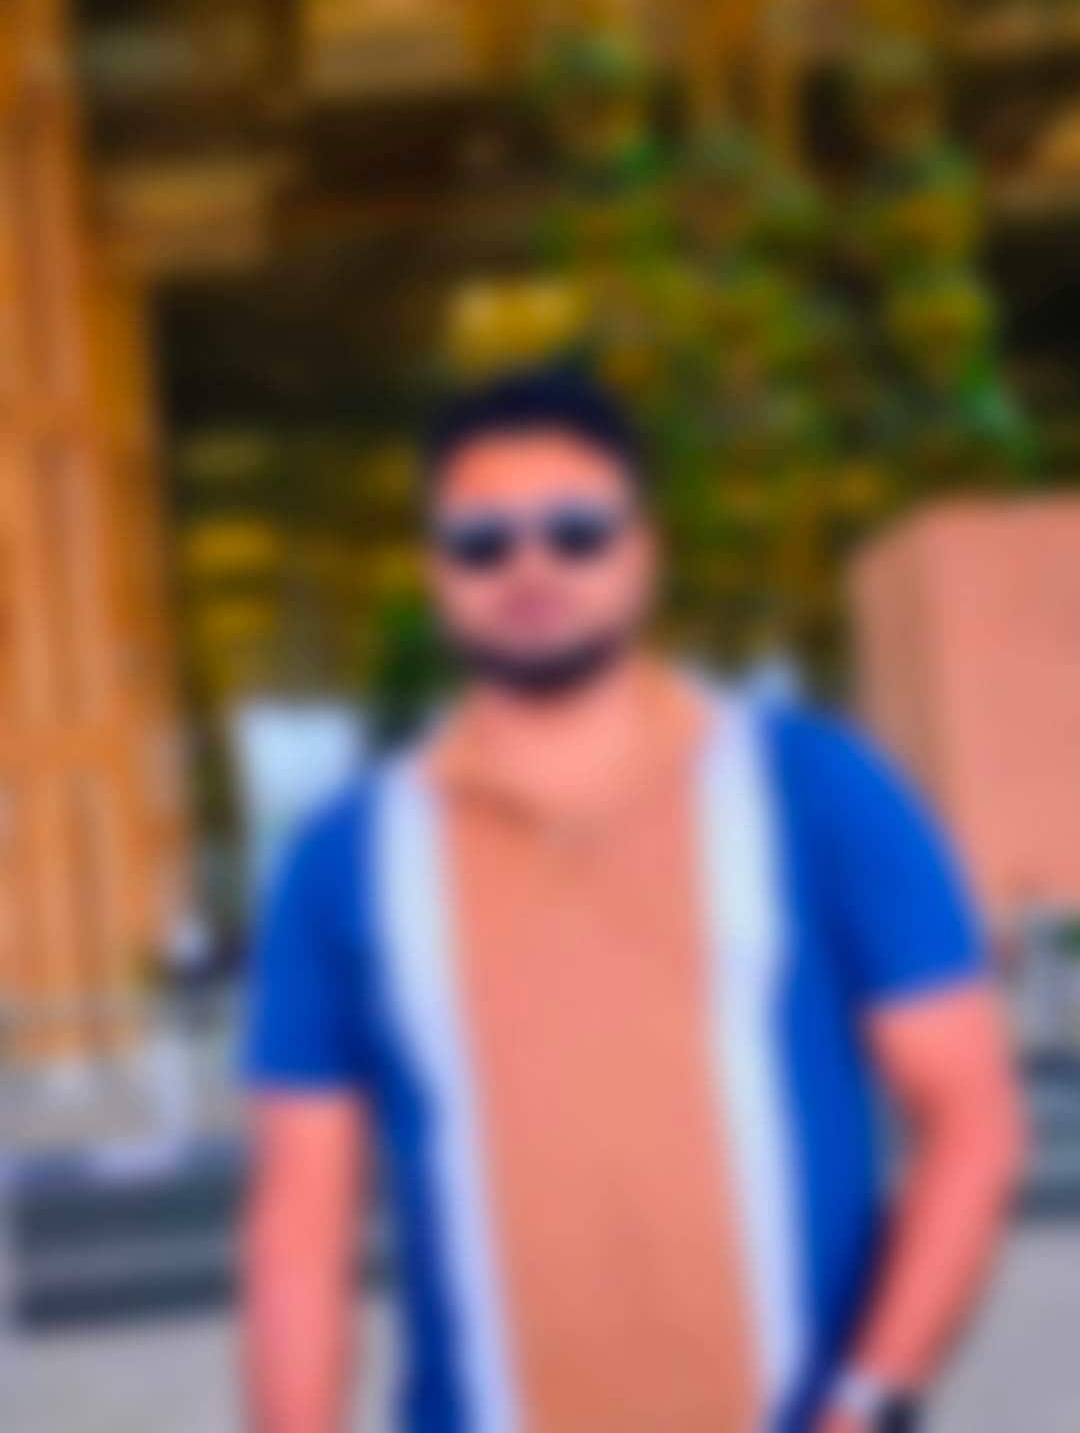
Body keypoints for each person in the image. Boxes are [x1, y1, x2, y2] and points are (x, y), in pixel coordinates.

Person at [243, 367, 1024, 1433]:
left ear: (643, 550)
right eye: (482, 541)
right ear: (436, 572)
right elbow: (300, 1219)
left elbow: (972, 1120)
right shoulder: (345, 859)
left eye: (577, 531)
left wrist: (867, 1400)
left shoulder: (818, 791)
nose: (531, 565)